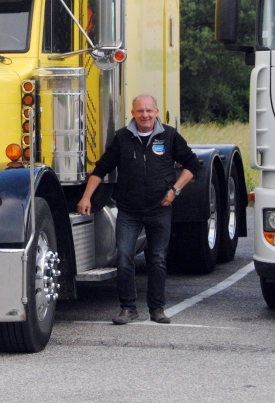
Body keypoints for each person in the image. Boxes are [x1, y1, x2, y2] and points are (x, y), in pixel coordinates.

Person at [77, 94, 200, 325]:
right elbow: (101, 169)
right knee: (124, 257)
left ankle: (157, 308)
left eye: (149, 111)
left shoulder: (170, 136)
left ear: (156, 112)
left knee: (158, 260)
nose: (145, 115)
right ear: (132, 113)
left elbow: (192, 165)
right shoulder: (123, 138)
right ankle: (128, 308)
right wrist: (86, 197)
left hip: (159, 208)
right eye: (140, 111)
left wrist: (175, 190)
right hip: (129, 211)